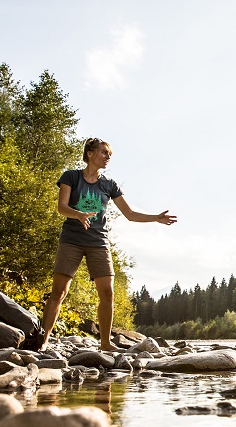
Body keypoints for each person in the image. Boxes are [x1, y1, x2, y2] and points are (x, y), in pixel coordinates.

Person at [40, 137, 177, 351]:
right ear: (90, 154)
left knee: (107, 293)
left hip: (99, 243)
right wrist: (78, 214)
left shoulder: (109, 185)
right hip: (72, 240)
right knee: (59, 292)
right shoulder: (71, 177)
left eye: (110, 155)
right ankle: (43, 339)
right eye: (104, 152)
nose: (108, 157)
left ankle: (105, 344)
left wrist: (156, 218)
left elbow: (129, 214)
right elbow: (62, 207)